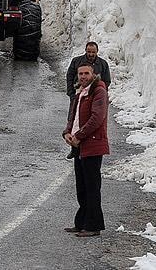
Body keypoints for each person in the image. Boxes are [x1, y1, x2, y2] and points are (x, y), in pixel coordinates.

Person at [62, 62, 110, 237]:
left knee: (92, 187)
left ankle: (93, 225)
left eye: (86, 73)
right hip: (79, 146)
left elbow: (97, 118)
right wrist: (67, 132)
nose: (83, 76)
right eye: (80, 73)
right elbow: (73, 116)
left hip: (92, 145)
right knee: (81, 187)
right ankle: (81, 222)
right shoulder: (80, 91)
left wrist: (79, 135)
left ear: (93, 74)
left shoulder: (98, 91)